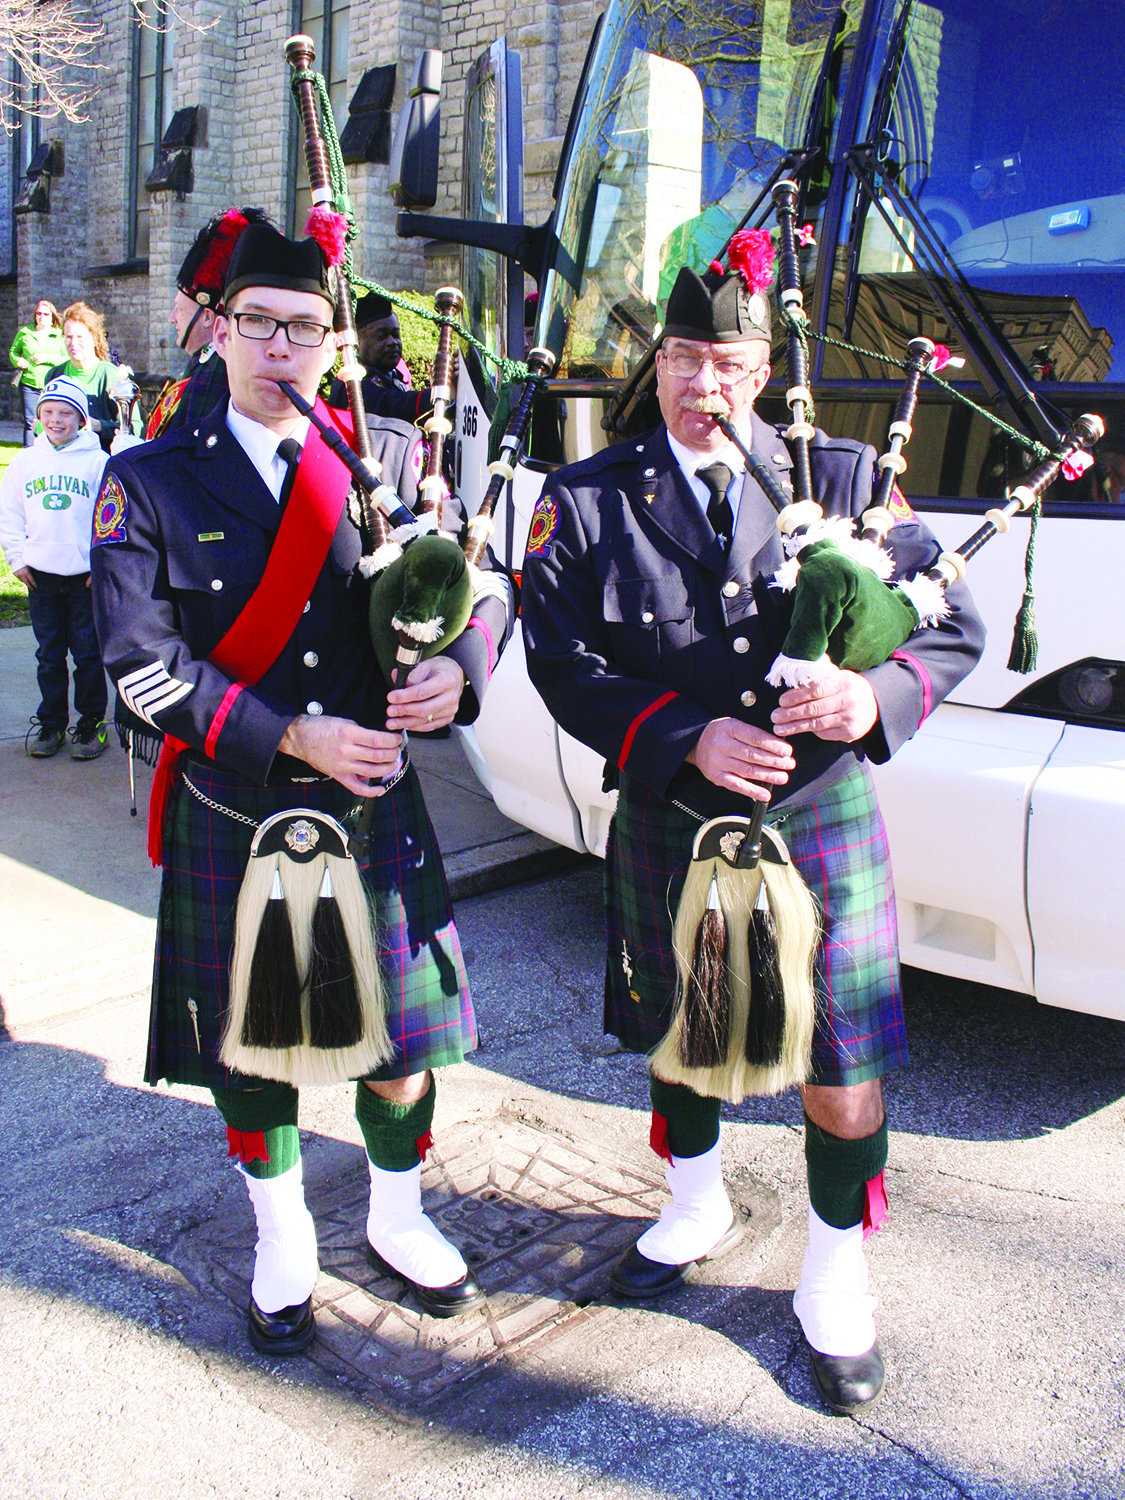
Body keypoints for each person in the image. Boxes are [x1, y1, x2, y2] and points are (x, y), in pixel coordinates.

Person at [520, 258, 985, 1414]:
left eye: (728, 363)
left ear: (763, 373)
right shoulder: (585, 499)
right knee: (684, 1035)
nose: (704, 384)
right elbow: (558, 658)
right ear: (658, 365)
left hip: (817, 816)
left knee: (842, 1067)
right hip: (675, 817)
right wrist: (682, 737)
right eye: (684, 359)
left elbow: (954, 619)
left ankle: (835, 1270)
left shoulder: (844, 476)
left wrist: (875, 700)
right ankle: (694, 1204)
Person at [90, 222, 513, 1358]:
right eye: (260, 324)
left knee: (403, 1044)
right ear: (219, 331)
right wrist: (293, 737)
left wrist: (454, 675)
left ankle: (398, 1213)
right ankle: (283, 1239)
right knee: (251, 1046)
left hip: (373, 803)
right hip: (241, 803)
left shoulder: (387, 460)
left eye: (307, 328)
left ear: (333, 341)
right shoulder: (148, 481)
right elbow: (137, 664)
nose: (283, 347)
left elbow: (486, 589)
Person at [0, 376, 109, 758]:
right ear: (37, 416)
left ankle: (91, 723)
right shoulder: (26, 462)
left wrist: (101, 563)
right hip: (41, 576)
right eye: (48, 412)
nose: (56, 420)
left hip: (83, 578)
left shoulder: (98, 463)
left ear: (81, 418)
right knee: (48, 655)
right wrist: (16, 558)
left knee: (87, 654)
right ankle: (51, 724)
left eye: (65, 413)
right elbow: (9, 513)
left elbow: (109, 519)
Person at [146, 208, 272, 441]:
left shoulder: (218, 370)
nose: (172, 317)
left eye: (179, 308)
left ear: (206, 317)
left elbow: (189, 452)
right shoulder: (205, 364)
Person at [45, 302, 143, 453]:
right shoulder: (54, 376)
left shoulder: (113, 376)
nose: (73, 343)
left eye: (80, 337)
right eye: (68, 337)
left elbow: (135, 427)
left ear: (94, 338)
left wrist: (99, 426)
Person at [328, 292, 431, 424]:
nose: (392, 342)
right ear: (358, 341)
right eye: (381, 336)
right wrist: (436, 394)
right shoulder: (349, 383)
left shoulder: (392, 374)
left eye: (395, 335)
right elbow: (390, 405)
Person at [9, 299, 67, 446]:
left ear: (52, 316)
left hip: (52, 384)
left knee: (51, 421)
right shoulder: (25, 332)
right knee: (30, 421)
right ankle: (29, 453)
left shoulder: (59, 335)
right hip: (29, 383)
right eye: (38, 313)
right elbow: (13, 351)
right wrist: (18, 361)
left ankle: (49, 449)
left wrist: (47, 358)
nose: (41, 317)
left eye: (46, 314)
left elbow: (66, 358)